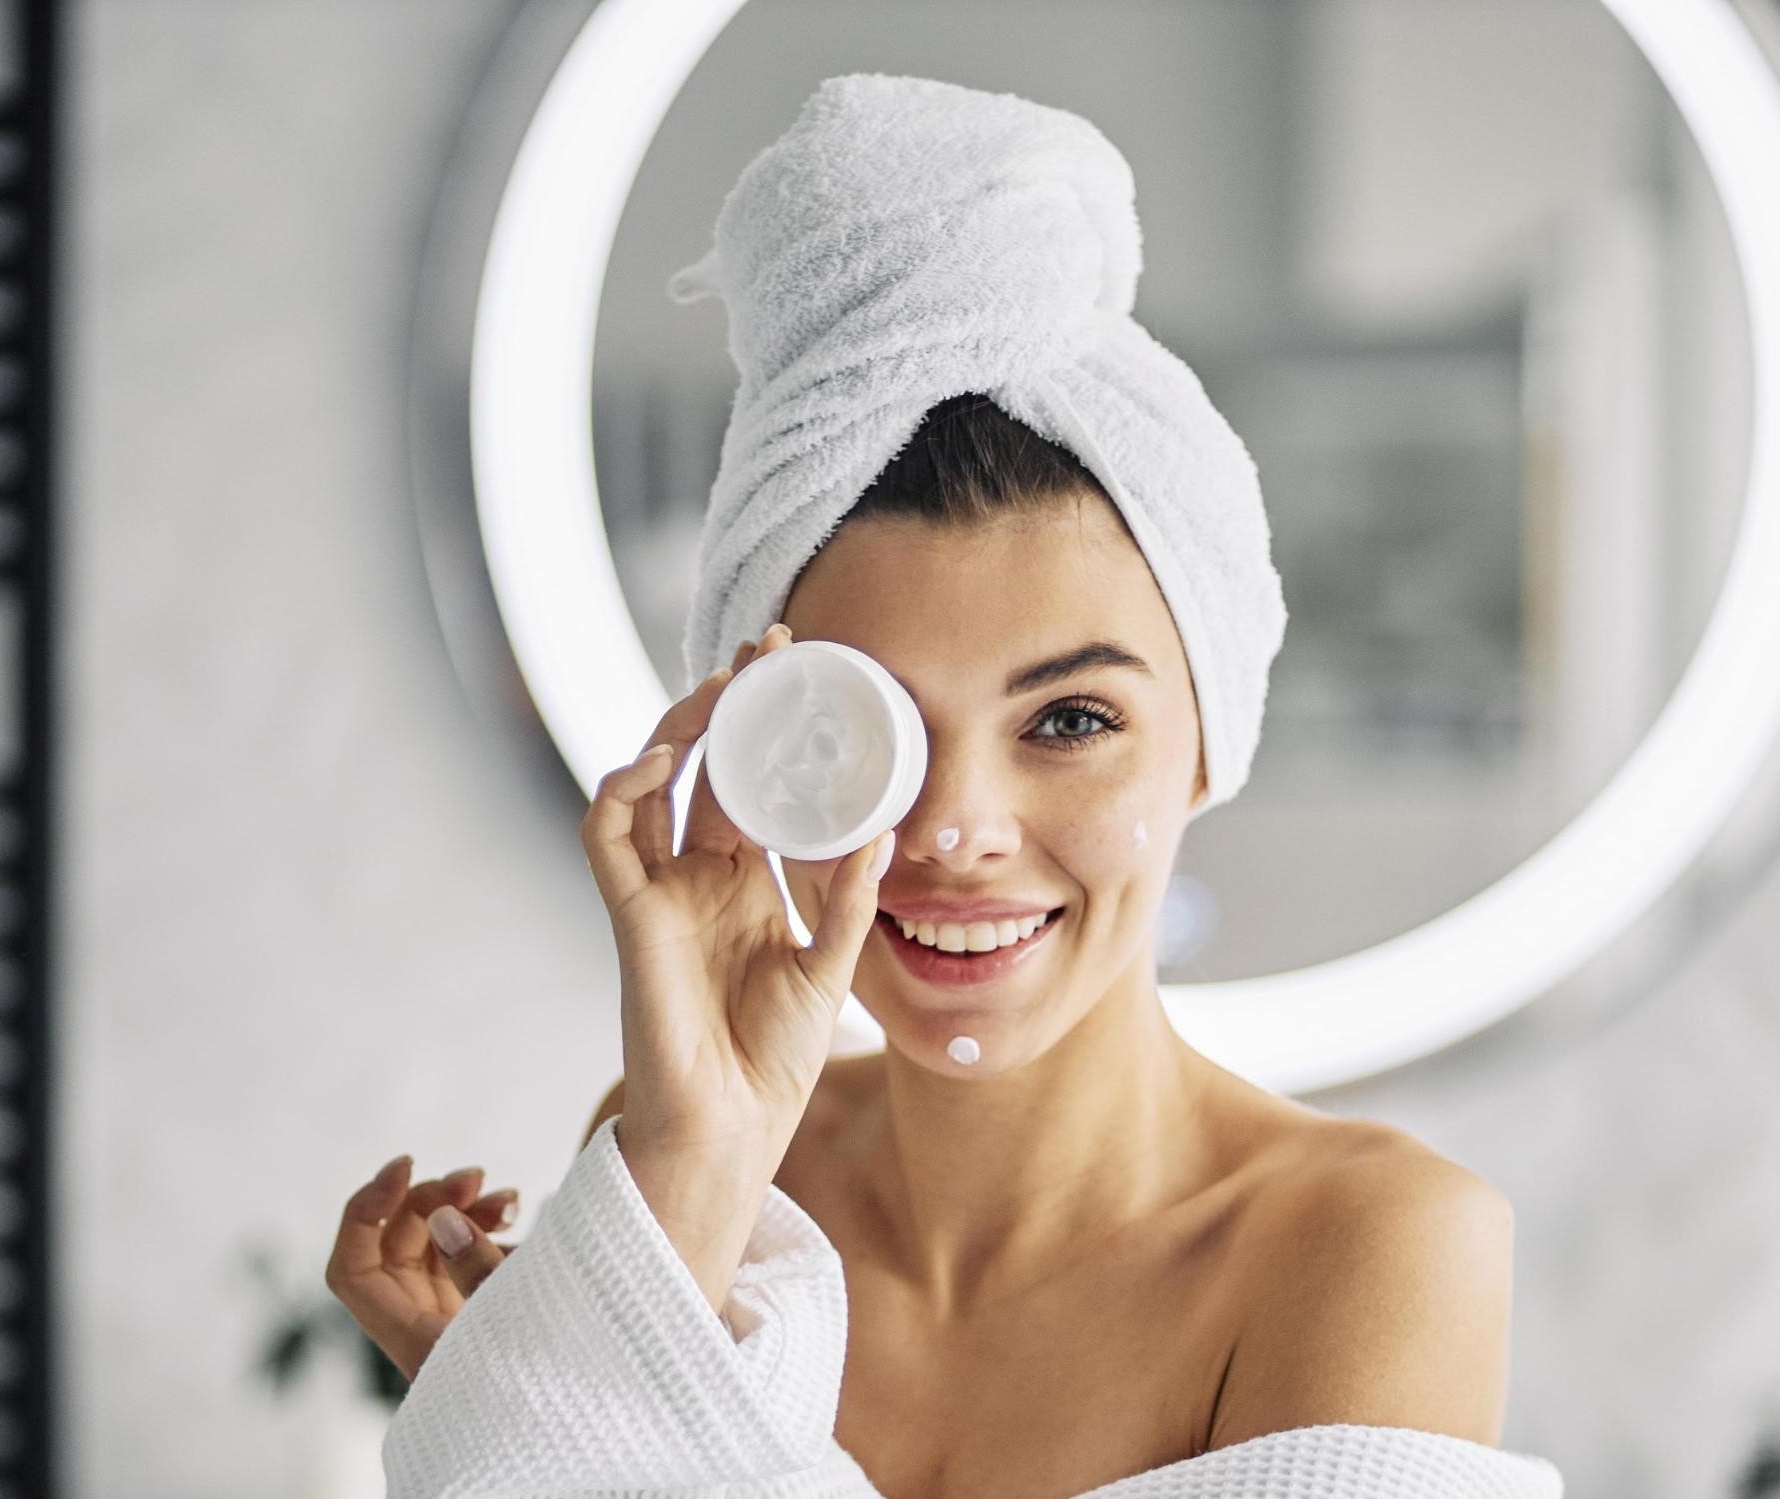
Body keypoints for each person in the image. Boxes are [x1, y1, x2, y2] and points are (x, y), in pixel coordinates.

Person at [326, 393, 1541, 1498]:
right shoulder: (704, 1166)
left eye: (1069, 719)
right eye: (872, 728)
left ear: (1210, 742)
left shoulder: (1369, 1245)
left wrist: (599, 1416)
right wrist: (536, 1398)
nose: (955, 830)